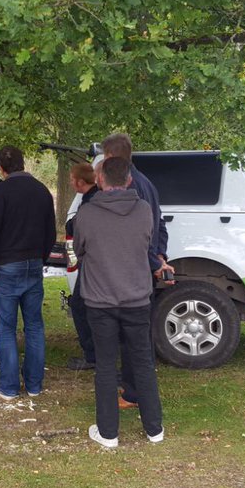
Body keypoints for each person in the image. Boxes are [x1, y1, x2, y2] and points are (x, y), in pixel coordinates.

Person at [73, 157, 164, 448]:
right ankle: (154, 429)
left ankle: (108, 433)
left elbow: (80, 249)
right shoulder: (144, 211)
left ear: (100, 180)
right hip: (137, 297)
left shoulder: (86, 214)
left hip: (101, 300)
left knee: (105, 366)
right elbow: (148, 244)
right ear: (127, 180)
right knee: (143, 363)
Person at [0, 145, 56, 400]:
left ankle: (9, 386)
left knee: (6, 327)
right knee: (34, 326)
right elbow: (50, 233)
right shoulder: (42, 190)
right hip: (33, 263)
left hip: (7, 266)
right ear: (23, 163)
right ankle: (34, 385)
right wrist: (40, 257)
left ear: (1, 168)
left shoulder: (2, 193)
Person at [101, 133, 175, 409]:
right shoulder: (148, 184)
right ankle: (129, 383)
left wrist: (155, 261)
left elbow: (138, 237)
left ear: (112, 157)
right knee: (133, 334)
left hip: (134, 271)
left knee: (133, 336)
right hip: (144, 267)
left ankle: (132, 393)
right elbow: (160, 227)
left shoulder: (133, 189)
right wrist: (160, 255)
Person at [65, 161, 100, 371]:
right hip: (96, 261)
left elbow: (75, 226)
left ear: (79, 181)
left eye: (71, 179)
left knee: (79, 305)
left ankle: (92, 355)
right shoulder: (92, 197)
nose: (70, 183)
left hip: (91, 261)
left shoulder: (91, 201)